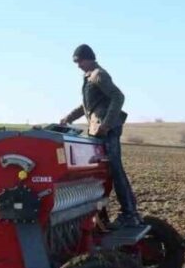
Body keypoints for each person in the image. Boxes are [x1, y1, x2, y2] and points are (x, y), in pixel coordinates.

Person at [59, 44, 139, 227]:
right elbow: (86, 106)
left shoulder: (98, 75)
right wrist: (68, 118)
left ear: (88, 58)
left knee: (116, 170)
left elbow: (118, 96)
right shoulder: (89, 77)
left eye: (79, 61)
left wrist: (107, 124)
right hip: (99, 130)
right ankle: (102, 213)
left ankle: (129, 213)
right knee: (105, 171)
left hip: (107, 130)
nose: (77, 65)